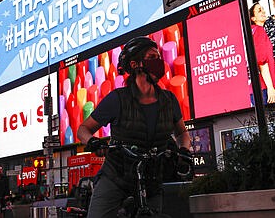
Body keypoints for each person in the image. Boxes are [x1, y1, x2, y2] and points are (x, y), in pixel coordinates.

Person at [77, 36, 192, 218]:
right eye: (151, 58)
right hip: (116, 177)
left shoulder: (169, 100)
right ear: (135, 64)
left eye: (158, 57)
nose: (159, 62)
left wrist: (184, 150)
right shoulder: (117, 99)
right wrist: (92, 142)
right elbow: (83, 129)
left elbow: (182, 133)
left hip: (151, 179)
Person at [249, 2, 275, 104]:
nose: (263, 11)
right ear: (253, 18)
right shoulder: (258, 31)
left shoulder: (252, 32)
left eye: (263, 9)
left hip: (255, 88)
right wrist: (270, 87)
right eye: (259, 10)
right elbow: (262, 62)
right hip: (263, 88)